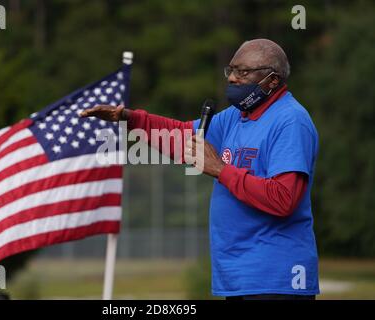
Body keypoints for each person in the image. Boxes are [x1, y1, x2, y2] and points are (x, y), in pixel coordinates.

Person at [81, 39, 320, 300]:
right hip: (240, 278)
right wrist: (130, 118)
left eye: (243, 72)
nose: (233, 79)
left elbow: (283, 199)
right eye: (230, 70)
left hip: (276, 279)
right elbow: (183, 138)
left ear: (272, 81)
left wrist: (220, 169)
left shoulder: (290, 121)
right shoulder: (237, 116)